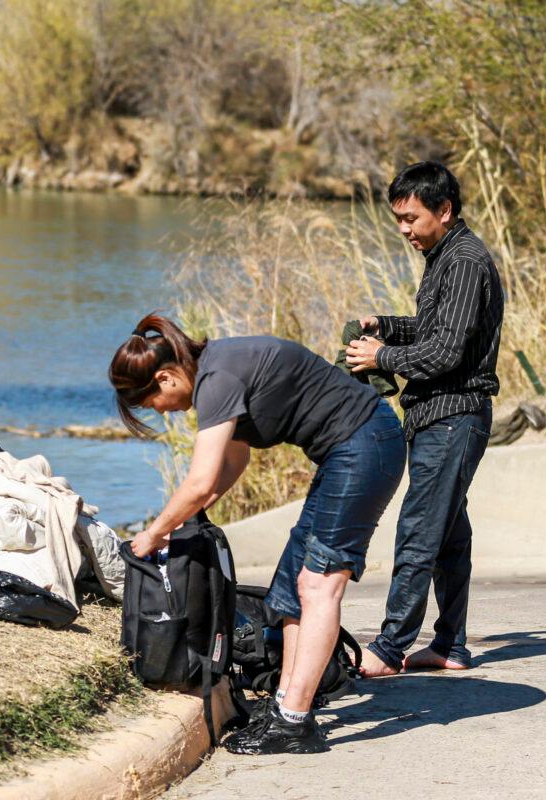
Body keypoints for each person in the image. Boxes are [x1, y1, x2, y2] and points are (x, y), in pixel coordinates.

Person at [111, 313, 405, 753]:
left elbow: (199, 480)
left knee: (319, 585)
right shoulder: (217, 369)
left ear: (166, 377)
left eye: (151, 402)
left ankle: (295, 722)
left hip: (365, 446)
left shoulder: (217, 378)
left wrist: (152, 534)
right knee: (288, 591)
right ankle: (287, 703)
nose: (159, 411)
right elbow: (232, 464)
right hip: (345, 452)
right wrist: (189, 518)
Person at [346, 161, 504, 677]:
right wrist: (386, 325)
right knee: (449, 535)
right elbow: (436, 328)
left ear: (444, 210)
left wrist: (380, 357)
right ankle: (451, 646)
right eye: (398, 220)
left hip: (453, 415)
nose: (404, 230)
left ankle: (390, 648)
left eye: (411, 219)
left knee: (418, 530)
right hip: (442, 416)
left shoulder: (463, 261)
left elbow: (446, 353)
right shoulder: (445, 256)